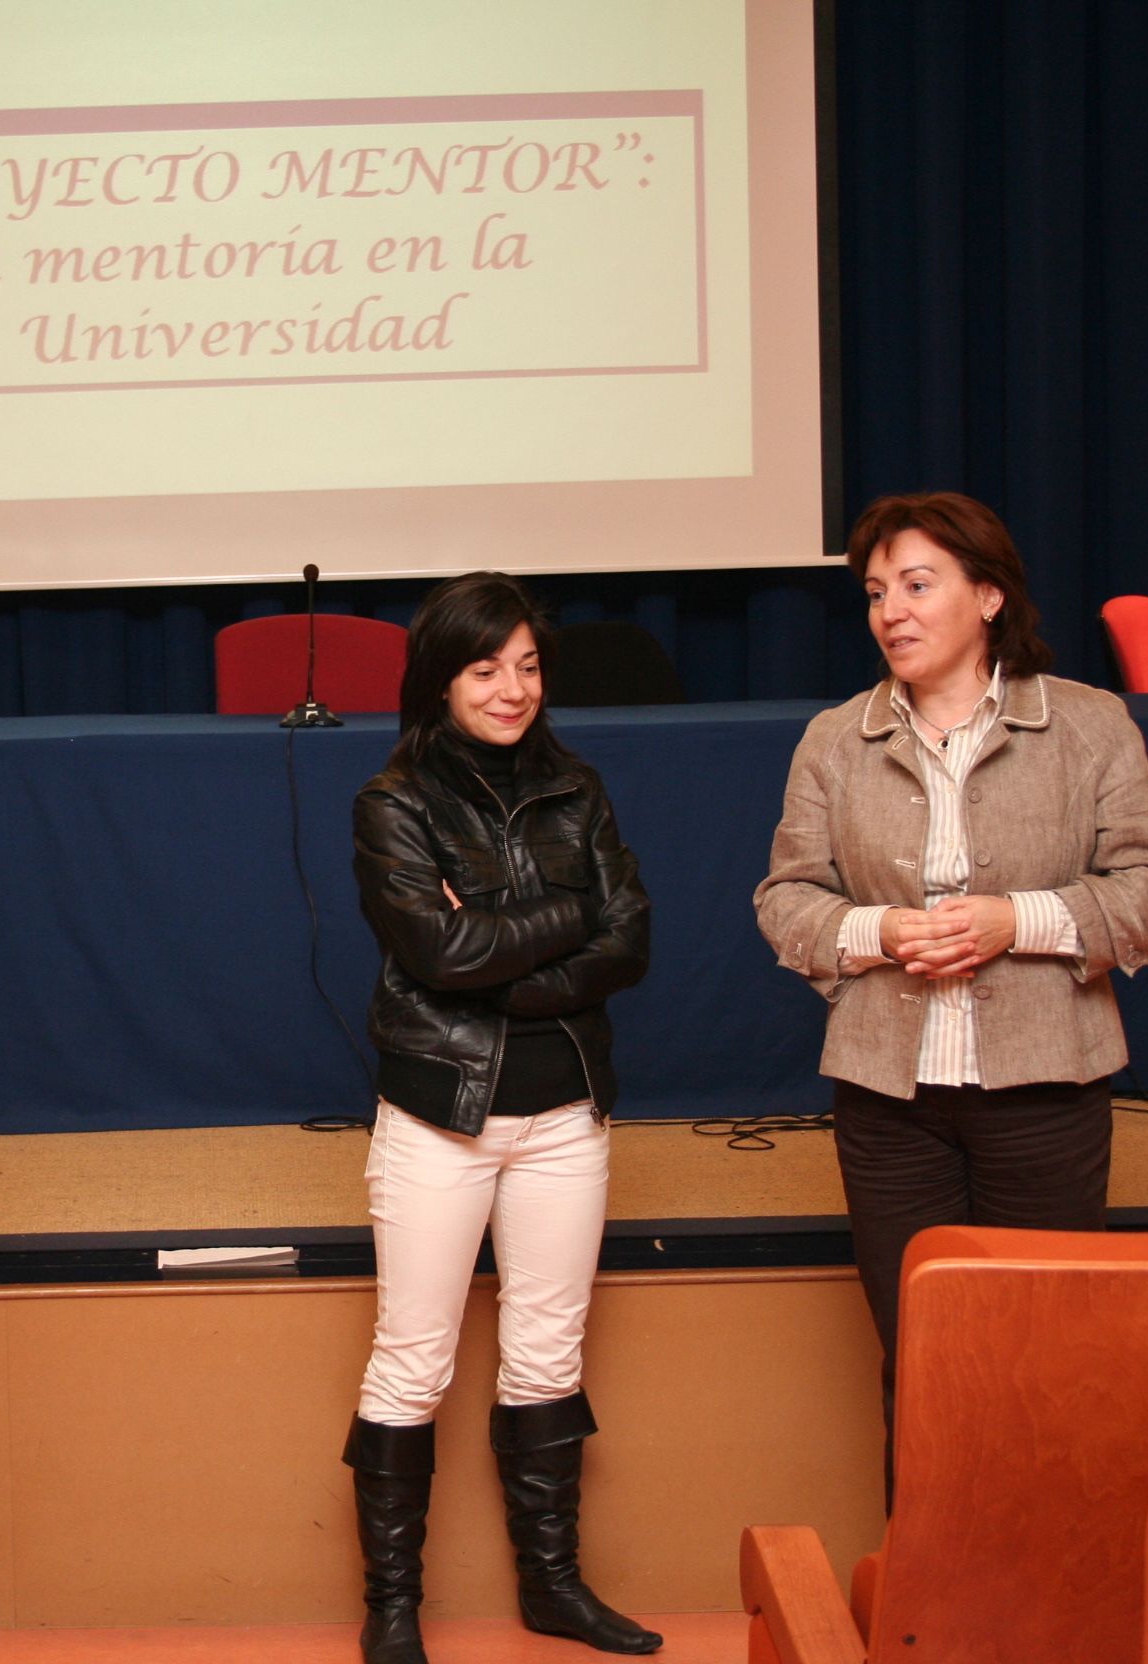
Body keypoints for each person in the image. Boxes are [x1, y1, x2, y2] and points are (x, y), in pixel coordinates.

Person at [753, 490, 1148, 1495]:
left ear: (989, 595)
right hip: (889, 1107)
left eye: (917, 585)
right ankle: (924, 1580)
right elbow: (787, 901)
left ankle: (1046, 1577)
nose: (891, 612)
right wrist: (879, 932)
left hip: (1047, 1091)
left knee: (1047, 1357)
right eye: (876, 593)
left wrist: (1014, 921)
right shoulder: (834, 739)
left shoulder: (1088, 723)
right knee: (922, 1363)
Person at [344, 573, 661, 1664]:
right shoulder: (394, 802)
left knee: (547, 1358)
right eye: (486, 668)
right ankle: (392, 1609)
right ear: (441, 678)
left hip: (566, 1112)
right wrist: (568, 920)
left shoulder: (577, 786)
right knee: (412, 1362)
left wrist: (500, 956)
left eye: (528, 666)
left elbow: (630, 940)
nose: (512, 688)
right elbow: (437, 954)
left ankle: (553, 1588)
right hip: (441, 1116)